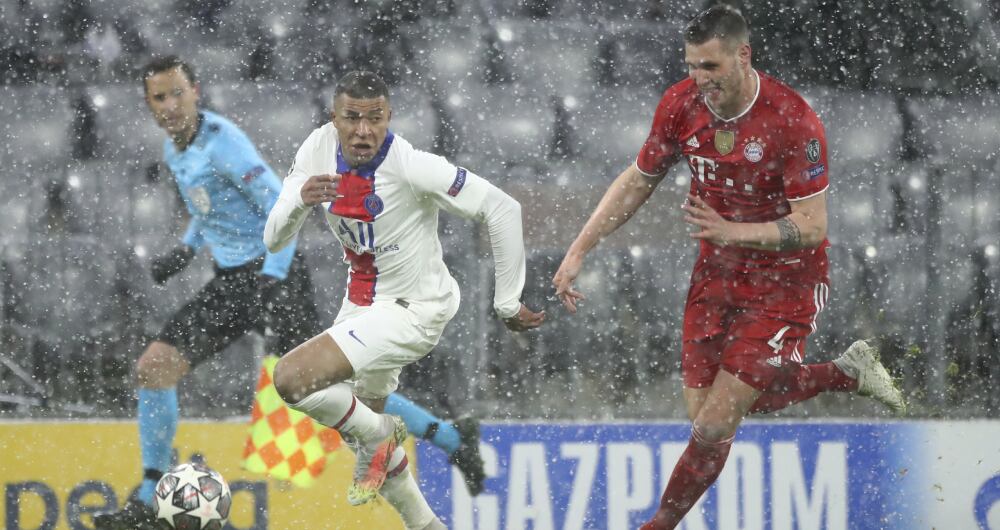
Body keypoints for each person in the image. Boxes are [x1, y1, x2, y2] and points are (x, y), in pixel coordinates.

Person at [551, 6, 907, 529]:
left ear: (744, 56)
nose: (700, 79)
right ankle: (843, 373)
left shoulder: (793, 120)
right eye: (693, 65)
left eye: (711, 67)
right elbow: (638, 178)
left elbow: (811, 226)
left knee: (717, 421)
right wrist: (581, 247)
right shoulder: (680, 104)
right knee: (704, 416)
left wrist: (733, 231)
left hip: (787, 281)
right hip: (717, 273)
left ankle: (658, 525)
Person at [95, 57, 486, 530]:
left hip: (268, 275)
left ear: (196, 91)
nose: (171, 105)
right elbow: (211, 205)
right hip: (237, 277)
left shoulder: (225, 144)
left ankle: (145, 503)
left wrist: (273, 275)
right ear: (149, 104)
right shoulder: (177, 149)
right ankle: (449, 436)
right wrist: (185, 248)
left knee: (317, 386)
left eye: (178, 93)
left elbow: (281, 201)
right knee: (161, 369)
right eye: (160, 97)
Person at [264, 70, 545, 530]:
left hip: (414, 310)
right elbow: (274, 239)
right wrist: (297, 199)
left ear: (389, 117)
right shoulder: (316, 148)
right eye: (351, 117)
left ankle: (379, 432)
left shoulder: (412, 166)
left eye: (375, 118)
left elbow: (503, 208)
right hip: (362, 305)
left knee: (292, 380)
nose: (363, 129)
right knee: (367, 440)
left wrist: (508, 303)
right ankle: (426, 522)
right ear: (334, 119)